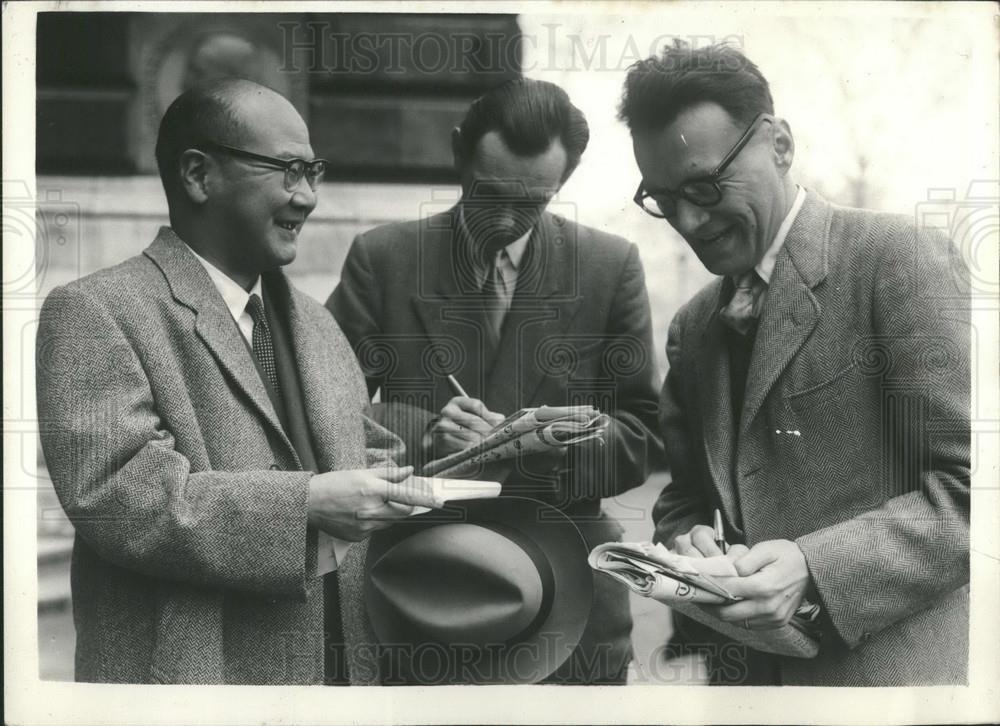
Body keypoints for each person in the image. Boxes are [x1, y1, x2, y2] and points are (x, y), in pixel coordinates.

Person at [35, 78, 420, 684]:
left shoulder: (316, 323)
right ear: (198, 175)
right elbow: (117, 500)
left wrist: (478, 456)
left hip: (338, 682)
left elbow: (363, 452)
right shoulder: (95, 310)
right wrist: (308, 503)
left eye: (314, 172)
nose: (309, 197)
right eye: (289, 170)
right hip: (192, 687)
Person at [619, 41, 970, 686]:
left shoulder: (897, 261)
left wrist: (814, 565)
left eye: (704, 185)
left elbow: (976, 493)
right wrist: (690, 542)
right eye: (665, 200)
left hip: (887, 688)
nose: (690, 221)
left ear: (779, 144)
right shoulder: (694, 327)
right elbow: (685, 497)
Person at [327, 78, 666, 684]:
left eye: (532, 202)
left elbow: (641, 438)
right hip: (424, 589)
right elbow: (319, 411)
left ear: (565, 181)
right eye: (488, 196)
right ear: (459, 152)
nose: (506, 221)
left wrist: (535, 448)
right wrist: (424, 434)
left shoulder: (609, 267)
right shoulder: (384, 260)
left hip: (568, 601)